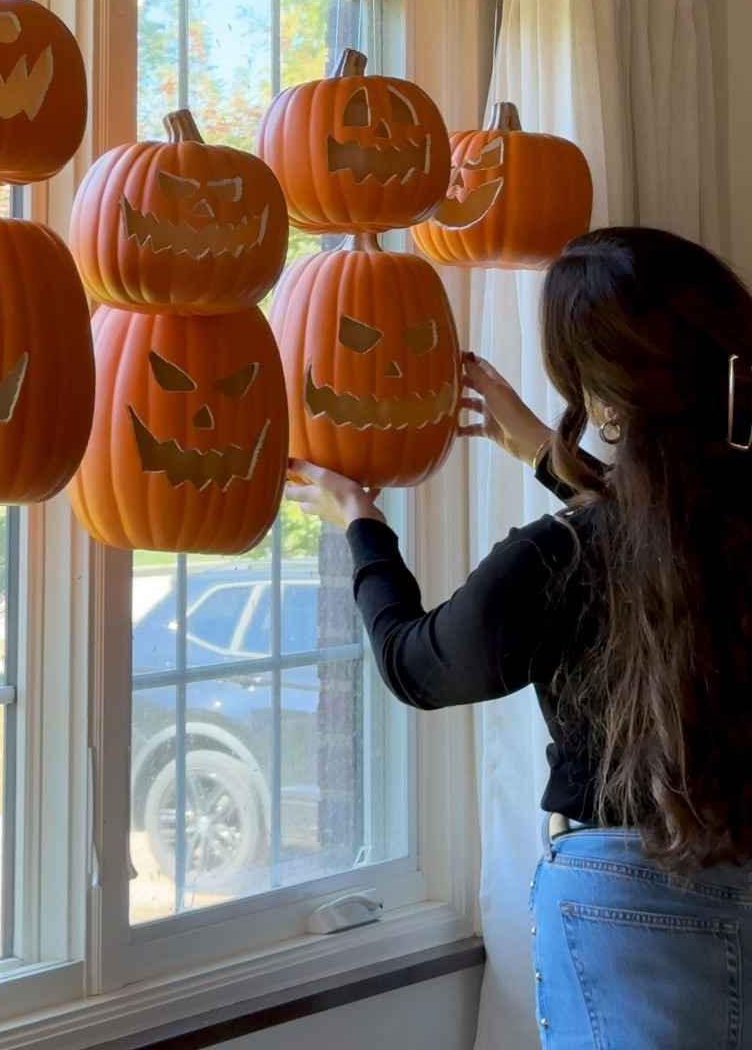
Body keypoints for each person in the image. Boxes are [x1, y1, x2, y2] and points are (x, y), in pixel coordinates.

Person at [286, 226, 752, 1050]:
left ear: (603, 402)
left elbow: (414, 665)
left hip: (629, 906)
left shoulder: (559, 558)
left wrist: (361, 524)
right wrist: (547, 450)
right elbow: (665, 530)